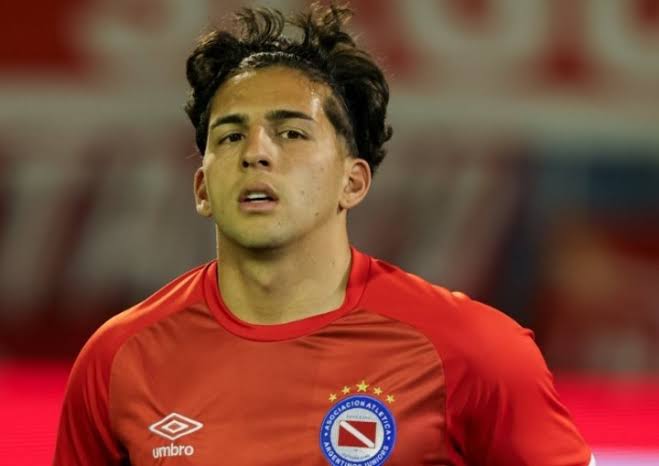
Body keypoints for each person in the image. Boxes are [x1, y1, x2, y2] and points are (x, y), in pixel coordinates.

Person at [53, 3, 595, 465]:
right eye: (231, 135)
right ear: (202, 188)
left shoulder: (476, 352)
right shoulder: (118, 360)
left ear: (352, 182)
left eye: (291, 132)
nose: (256, 153)